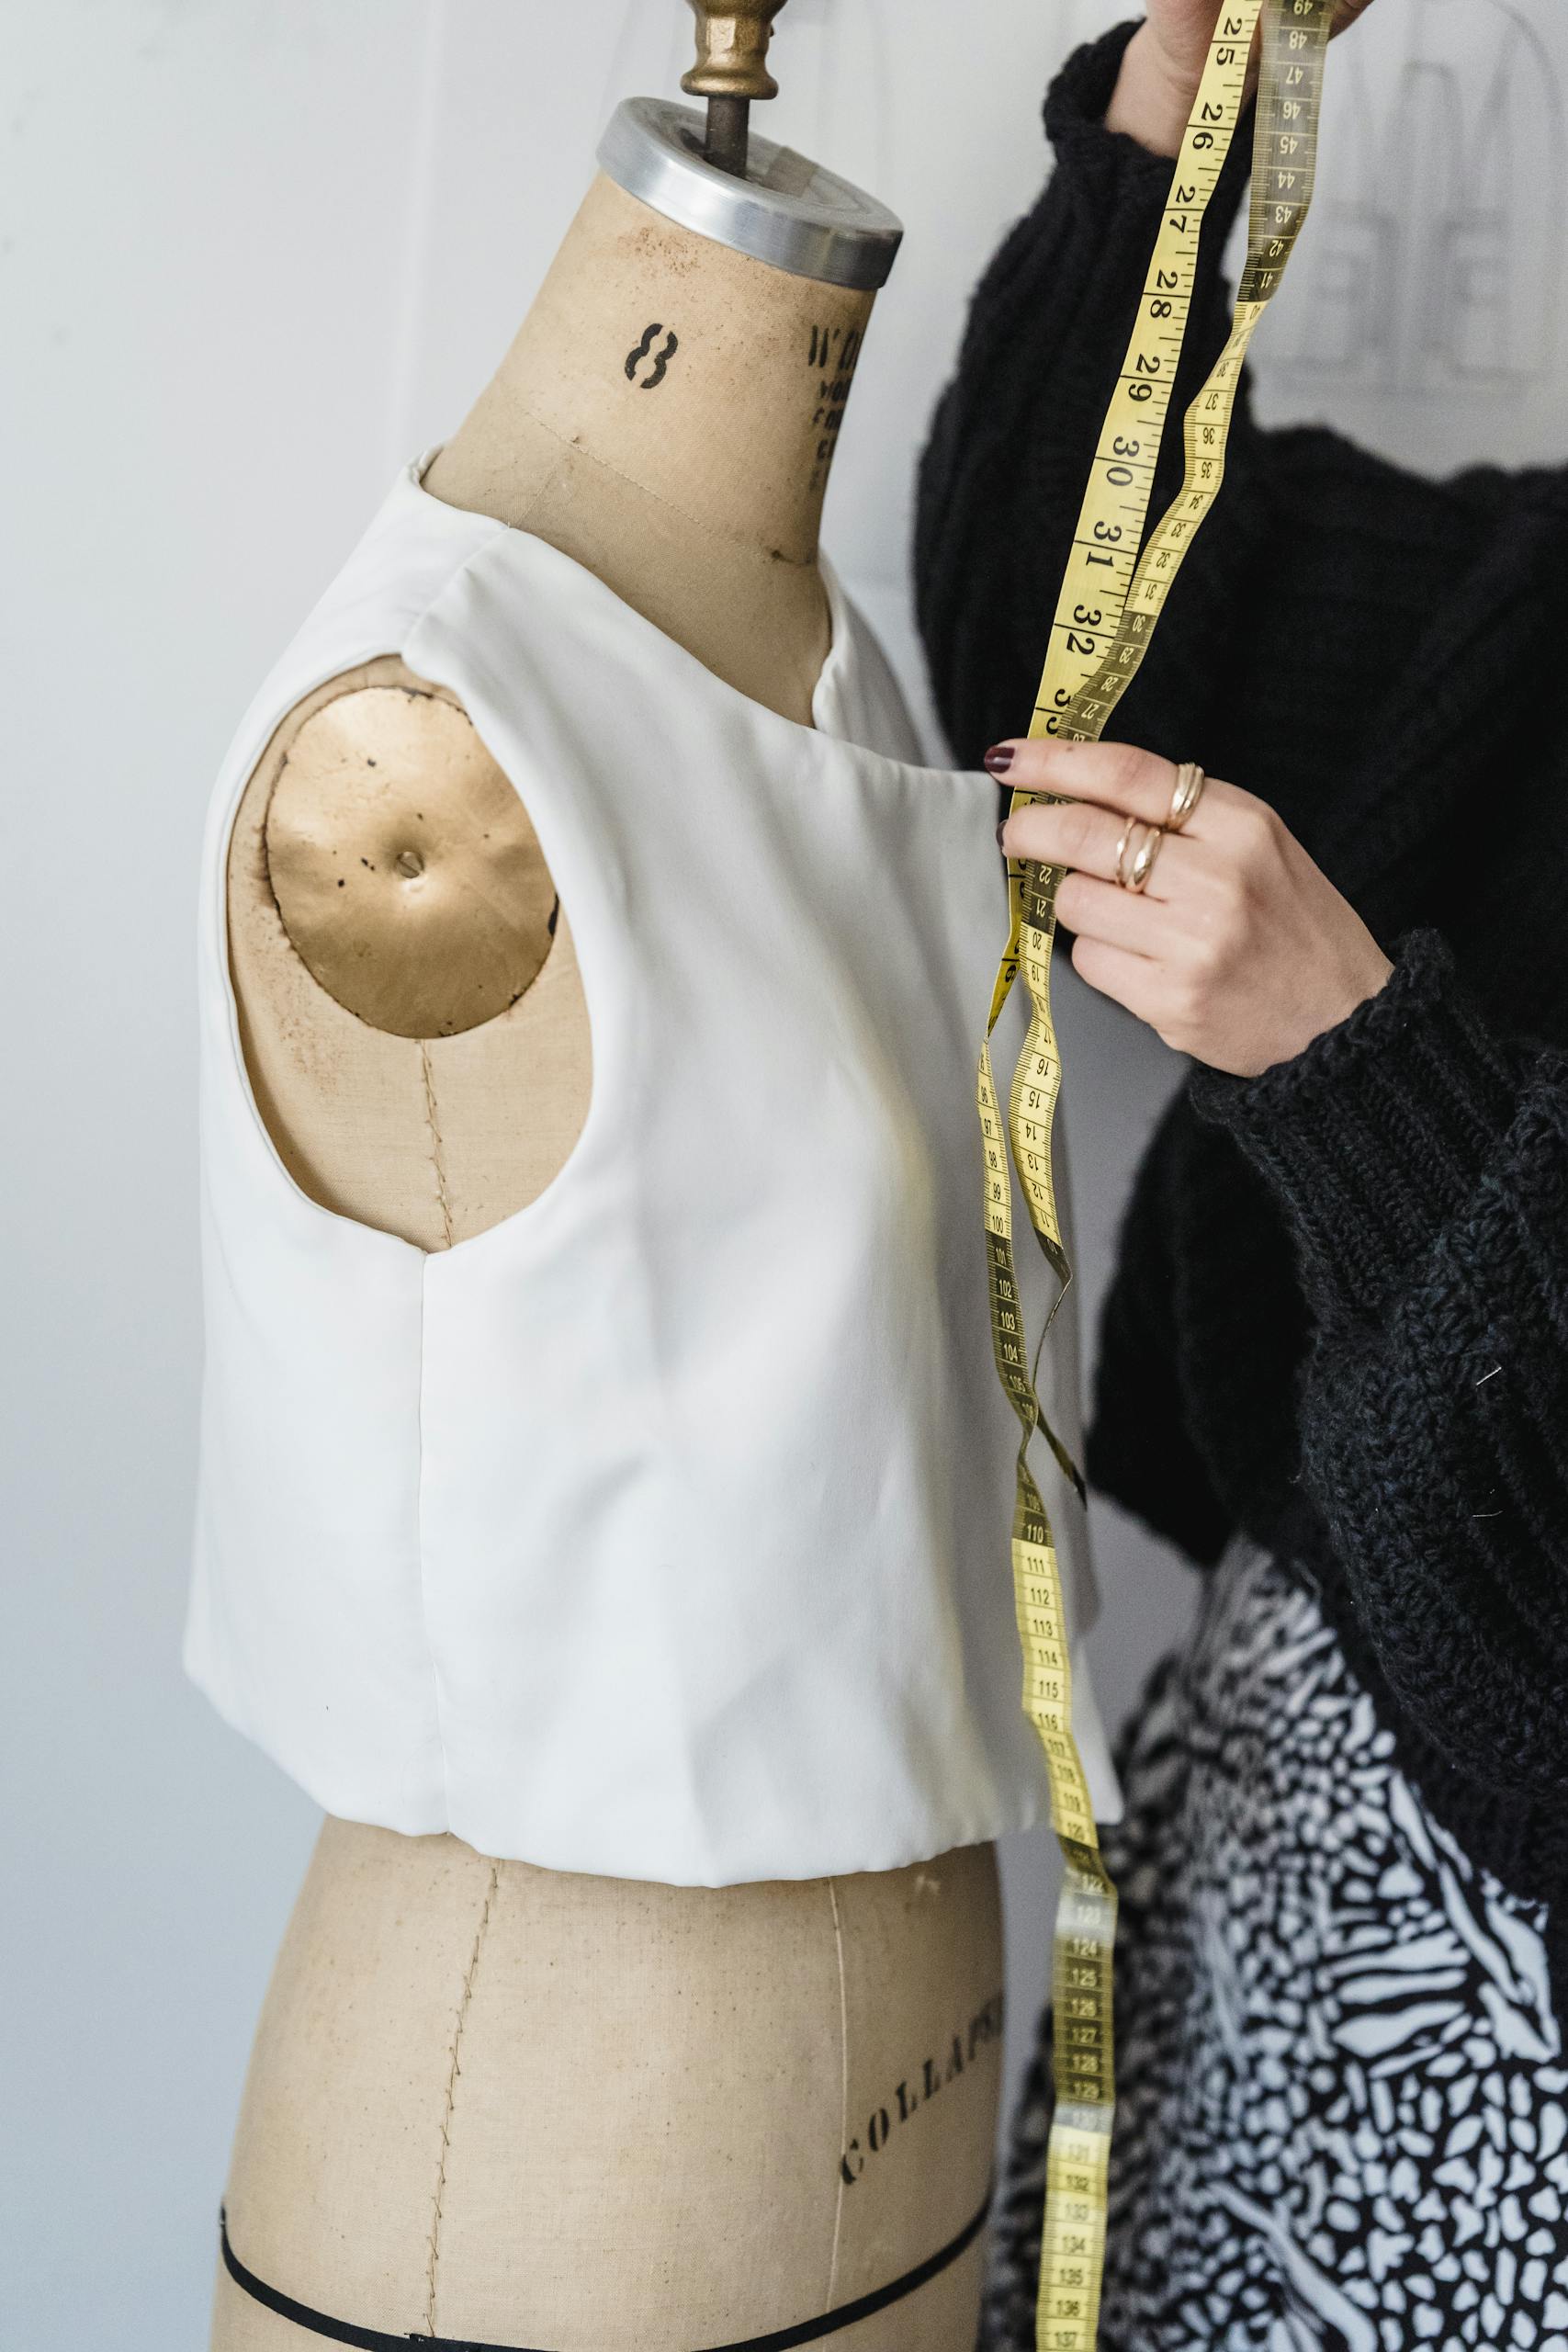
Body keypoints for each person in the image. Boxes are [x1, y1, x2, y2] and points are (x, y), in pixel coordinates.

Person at [914, 5, 1568, 2345]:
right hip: (1259, 1904)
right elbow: (1063, 661)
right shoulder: (1537, 617)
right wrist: (1202, 65)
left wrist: (1352, 1061)